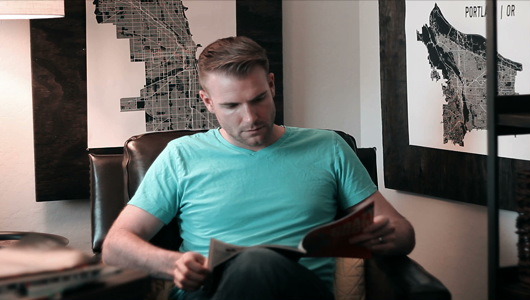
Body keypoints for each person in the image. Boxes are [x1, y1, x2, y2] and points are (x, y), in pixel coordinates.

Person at [102, 36, 415, 300]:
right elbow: (115, 246)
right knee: (254, 263)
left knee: (259, 263)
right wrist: (174, 264)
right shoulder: (181, 156)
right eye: (231, 106)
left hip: (300, 290)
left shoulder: (328, 147)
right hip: (214, 291)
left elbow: (403, 233)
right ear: (208, 102)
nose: (250, 118)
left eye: (258, 99)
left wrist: (385, 236)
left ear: (271, 84)